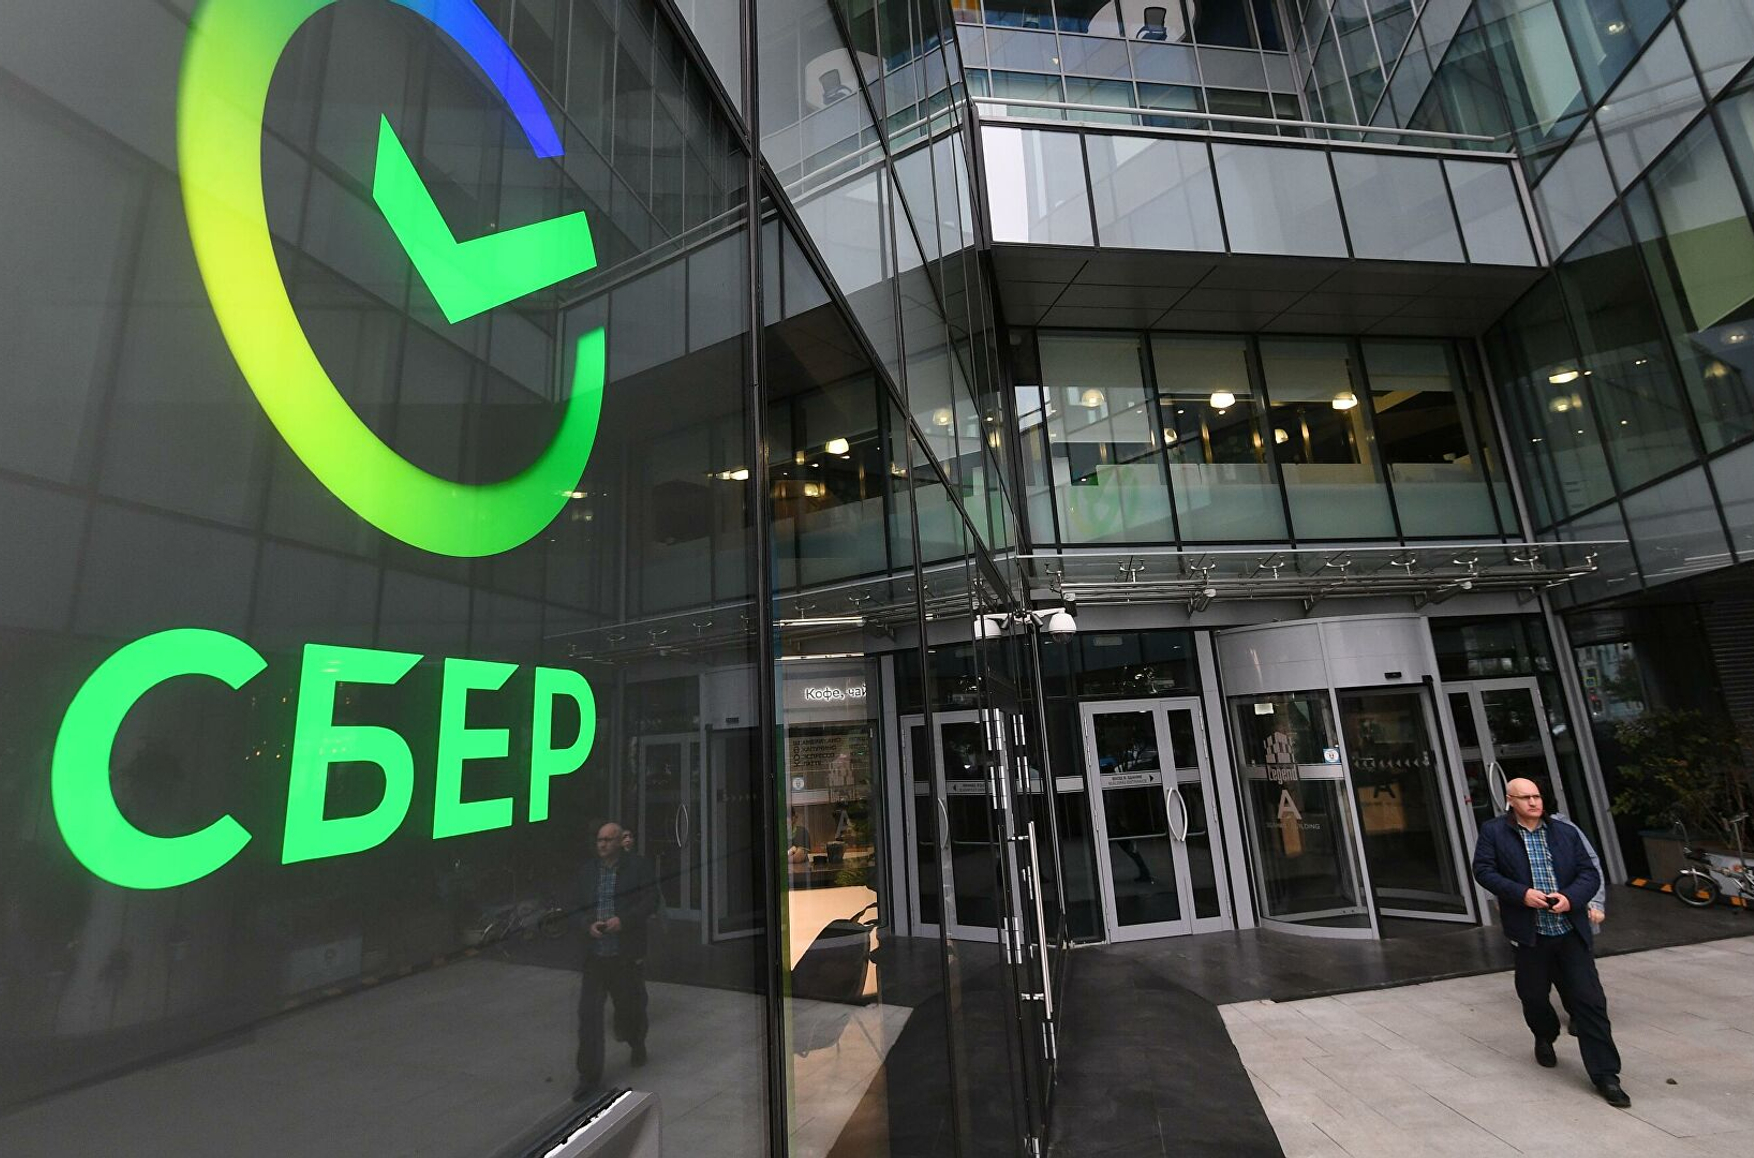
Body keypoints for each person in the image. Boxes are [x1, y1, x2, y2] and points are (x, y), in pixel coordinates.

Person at [1472, 778, 1629, 1108]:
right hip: (1530, 935)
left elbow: (1589, 873)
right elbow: (1484, 871)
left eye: (1537, 796)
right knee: (1533, 996)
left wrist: (1571, 899)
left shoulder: (1565, 832)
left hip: (1569, 931)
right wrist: (1521, 894)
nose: (1533, 803)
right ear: (1510, 801)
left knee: (1590, 1001)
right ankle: (1544, 1035)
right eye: (1525, 798)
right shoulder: (1494, 832)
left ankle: (1606, 1075)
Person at [574, 821, 658, 1098]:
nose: (602, 845)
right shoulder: (588, 872)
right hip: (595, 956)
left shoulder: (637, 867)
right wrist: (587, 924)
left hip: (624, 954)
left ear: (620, 841)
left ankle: (636, 1041)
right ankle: (589, 1076)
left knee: (629, 1008)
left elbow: (651, 900)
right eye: (599, 840)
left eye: (608, 840)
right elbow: (575, 906)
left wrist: (625, 920)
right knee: (589, 1015)